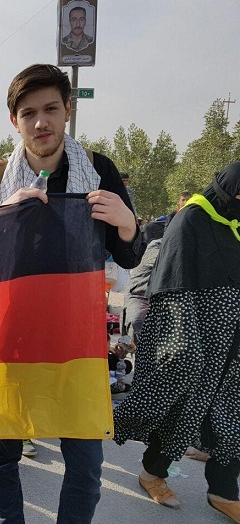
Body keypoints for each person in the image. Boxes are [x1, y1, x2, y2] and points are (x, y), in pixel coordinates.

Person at [0, 63, 141, 524]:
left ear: (67, 110)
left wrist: (127, 224)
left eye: (51, 109)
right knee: (4, 455)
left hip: (79, 341)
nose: (41, 122)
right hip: (12, 340)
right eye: (28, 112)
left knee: (87, 468)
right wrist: (1, 218)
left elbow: (129, 254)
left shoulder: (98, 170)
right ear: (14, 120)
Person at [114, 162, 240, 522]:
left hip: (233, 338)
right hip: (195, 336)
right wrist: (185, 348)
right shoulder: (192, 220)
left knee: (233, 410)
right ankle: (152, 473)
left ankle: (224, 491)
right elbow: (172, 282)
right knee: (182, 407)